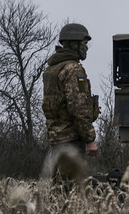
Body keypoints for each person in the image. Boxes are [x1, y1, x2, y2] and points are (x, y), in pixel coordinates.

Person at [42, 23, 100, 185]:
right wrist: (90, 139)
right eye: (84, 44)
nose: (86, 48)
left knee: (60, 188)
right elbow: (78, 107)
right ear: (74, 44)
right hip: (72, 139)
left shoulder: (52, 69)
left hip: (56, 138)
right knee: (73, 191)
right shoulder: (73, 69)